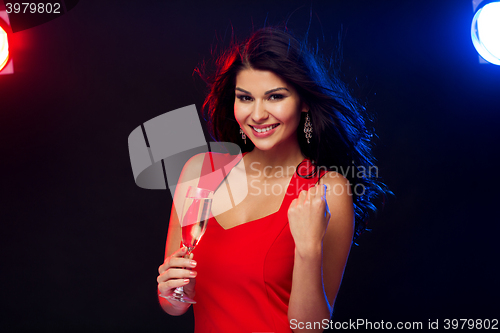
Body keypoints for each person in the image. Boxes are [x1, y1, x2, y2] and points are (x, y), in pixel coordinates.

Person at [157, 27, 390, 332]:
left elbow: (310, 328)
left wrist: (308, 249)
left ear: (303, 102)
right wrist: (172, 290)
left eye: (275, 97)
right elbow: (174, 304)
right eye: (246, 98)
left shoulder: (326, 189)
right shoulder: (199, 171)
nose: (257, 114)